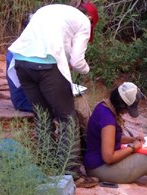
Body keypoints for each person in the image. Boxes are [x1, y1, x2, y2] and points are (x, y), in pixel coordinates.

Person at [7, 2, 99, 169]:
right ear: (91, 18)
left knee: (43, 116)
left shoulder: (51, 10)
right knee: (67, 119)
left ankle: (46, 165)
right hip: (46, 67)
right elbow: (77, 60)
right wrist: (87, 69)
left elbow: (56, 43)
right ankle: (70, 171)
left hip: (22, 63)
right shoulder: (84, 21)